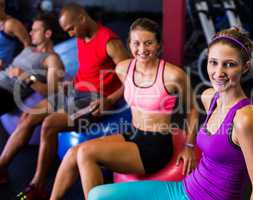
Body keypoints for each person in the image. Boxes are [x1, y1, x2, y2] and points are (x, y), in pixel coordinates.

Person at [87, 28, 253, 200]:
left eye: (230, 64)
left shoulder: (244, 119)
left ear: (245, 67)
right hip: (185, 189)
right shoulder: (210, 98)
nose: (218, 72)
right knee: (97, 195)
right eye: (213, 62)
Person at [49, 17, 198, 200]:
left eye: (148, 43)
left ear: (158, 45)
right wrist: (108, 101)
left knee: (87, 153)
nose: (142, 49)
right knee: (73, 153)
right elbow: (127, 90)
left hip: (156, 145)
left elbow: (192, 109)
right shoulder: (123, 68)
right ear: (129, 44)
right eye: (136, 43)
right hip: (132, 133)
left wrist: (189, 145)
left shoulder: (173, 75)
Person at [15, 3, 129, 200]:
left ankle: (37, 185)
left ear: (82, 18)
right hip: (75, 91)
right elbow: (88, 70)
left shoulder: (110, 42)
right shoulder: (80, 37)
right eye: (66, 30)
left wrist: (110, 100)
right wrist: (72, 83)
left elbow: (132, 78)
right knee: (28, 115)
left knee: (49, 125)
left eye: (71, 28)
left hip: (95, 98)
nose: (69, 34)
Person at [0, 12, 64, 183]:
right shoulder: (27, 49)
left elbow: (52, 91)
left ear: (48, 34)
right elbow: (12, 69)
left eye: (35, 30)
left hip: (6, 93)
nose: (30, 33)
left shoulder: (52, 60)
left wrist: (27, 77)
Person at [0, 0, 31, 69]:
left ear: (2, 7)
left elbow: (27, 44)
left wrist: (20, 63)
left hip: (7, 69)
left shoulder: (11, 24)